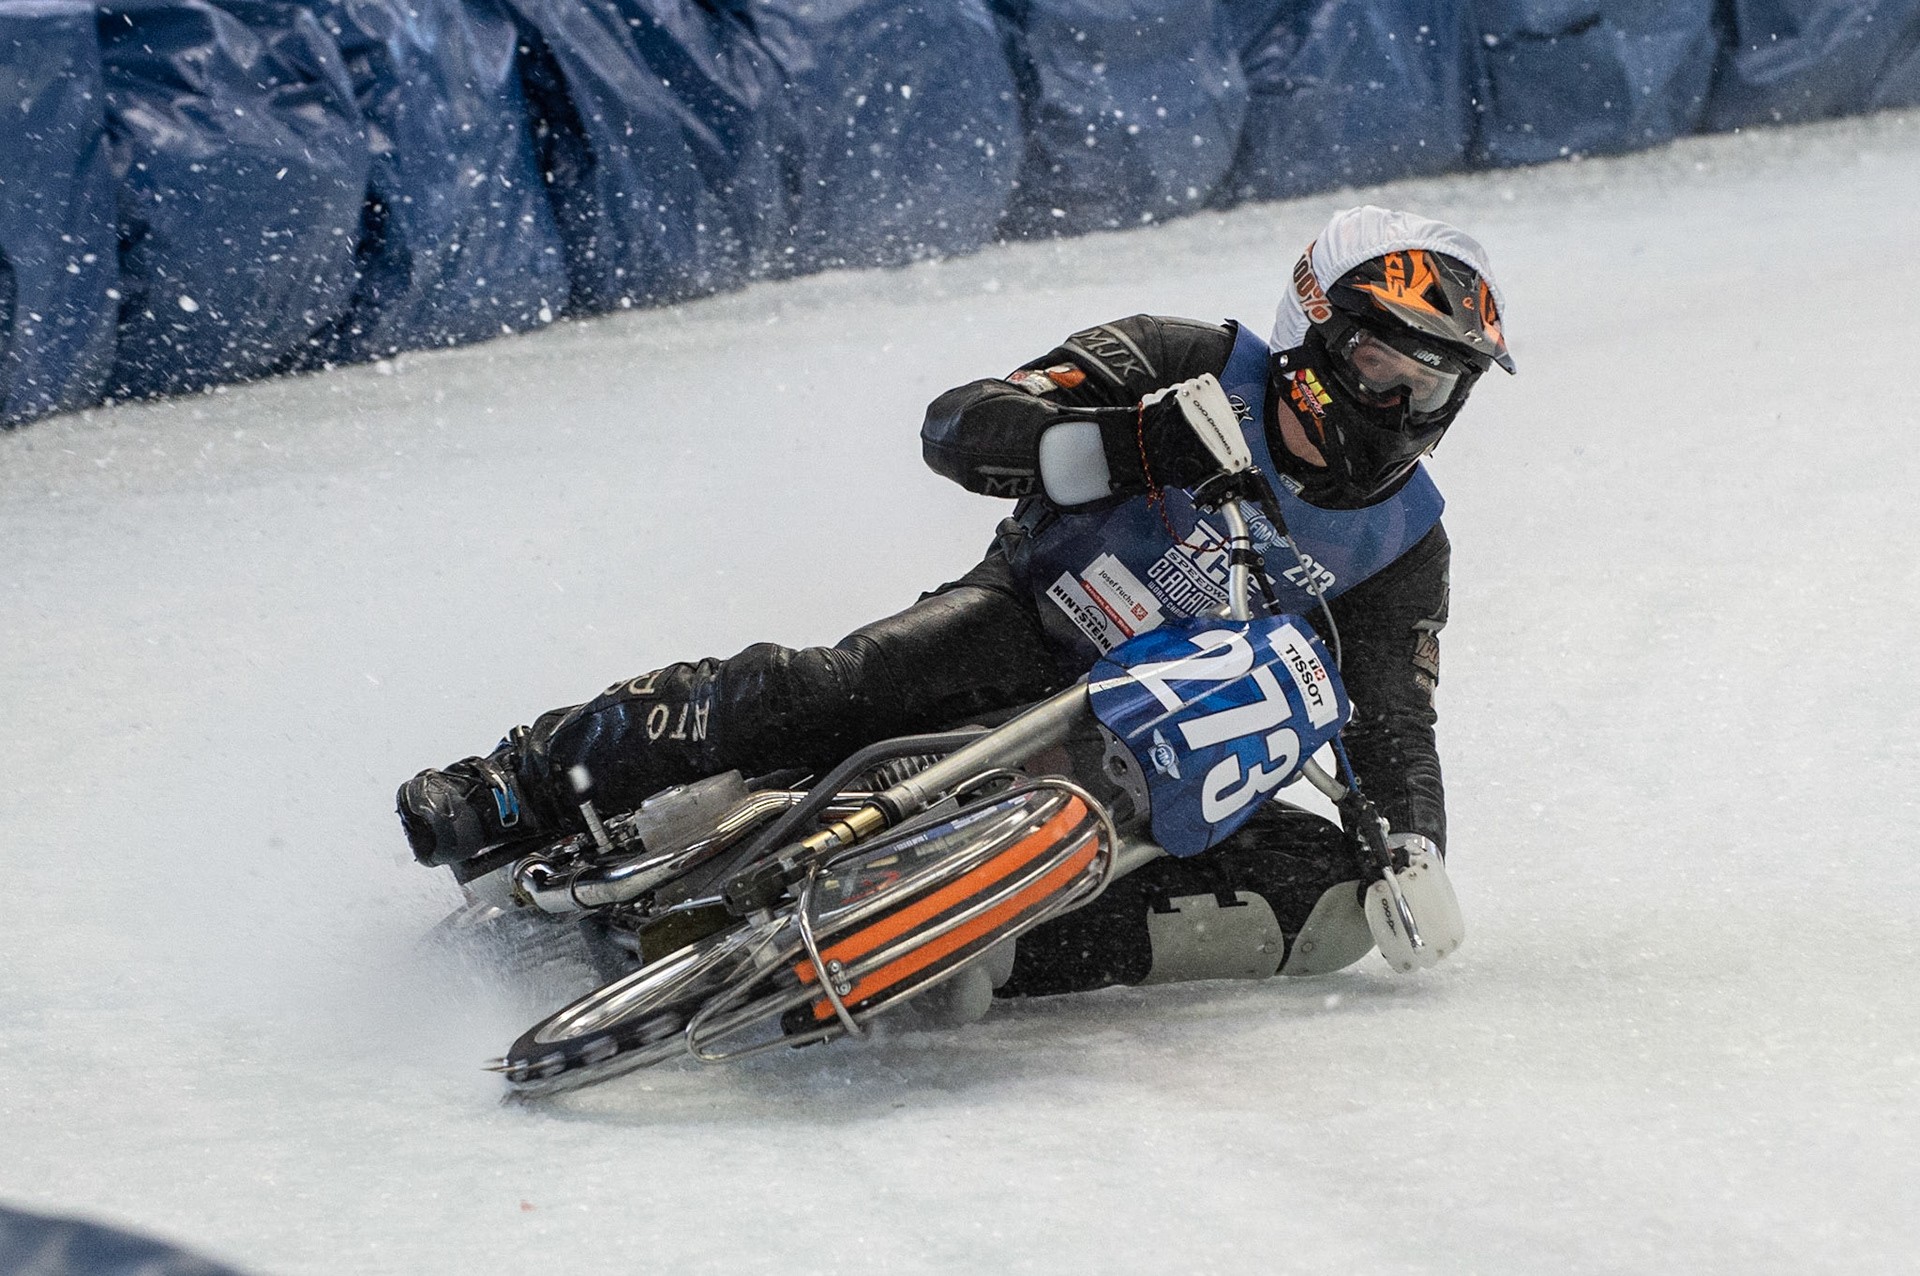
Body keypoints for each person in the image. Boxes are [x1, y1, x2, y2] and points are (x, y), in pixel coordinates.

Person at [398, 205, 1513, 995]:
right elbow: (959, 424)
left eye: (1435, 385)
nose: (1403, 403)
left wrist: (1413, 851)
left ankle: (982, 952)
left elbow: (1393, 722)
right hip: (1023, 624)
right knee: (823, 687)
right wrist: (1135, 441)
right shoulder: (1184, 360)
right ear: (1316, 328)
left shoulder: (1406, 543)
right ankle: (525, 779)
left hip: (1153, 752)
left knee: (1323, 900)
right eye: (1384, 363)